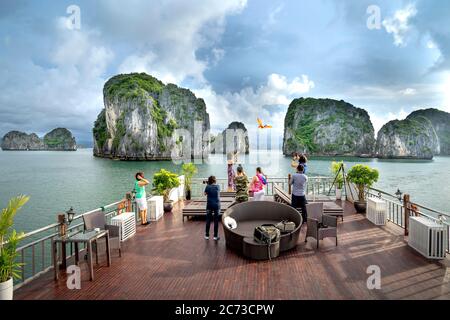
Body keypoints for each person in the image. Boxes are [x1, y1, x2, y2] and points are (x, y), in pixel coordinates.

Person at [204, 176, 221, 241]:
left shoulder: (207, 187)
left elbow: (205, 193)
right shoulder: (218, 186)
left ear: (209, 181)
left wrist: (208, 185)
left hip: (209, 205)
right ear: (215, 180)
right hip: (217, 205)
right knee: (216, 221)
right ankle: (215, 236)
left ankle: (207, 235)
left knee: (208, 220)